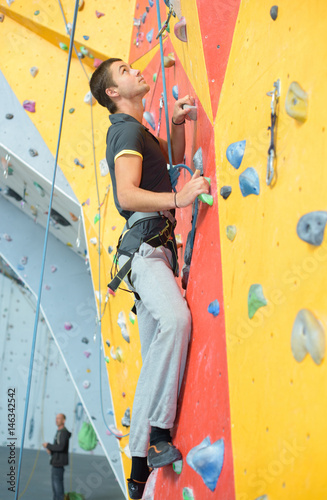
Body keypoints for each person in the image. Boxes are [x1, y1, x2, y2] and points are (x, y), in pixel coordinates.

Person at [90, 58, 209, 499]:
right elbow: (127, 194)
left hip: (150, 251)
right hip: (146, 251)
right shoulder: (124, 131)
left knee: (155, 356)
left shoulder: (140, 133)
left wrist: (177, 127)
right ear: (113, 93)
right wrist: (180, 197)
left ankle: (139, 474)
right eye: (123, 71)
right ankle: (156, 434)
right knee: (176, 323)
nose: (134, 71)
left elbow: (172, 162)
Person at [43, 413, 71, 500]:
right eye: (56, 418)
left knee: (57, 486)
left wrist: (48, 445)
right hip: (56, 462)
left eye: (59, 418)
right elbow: (58, 447)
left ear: (64, 420)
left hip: (58, 463)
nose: (56, 420)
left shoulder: (63, 433)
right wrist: (51, 451)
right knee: (55, 487)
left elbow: (61, 447)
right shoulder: (59, 432)